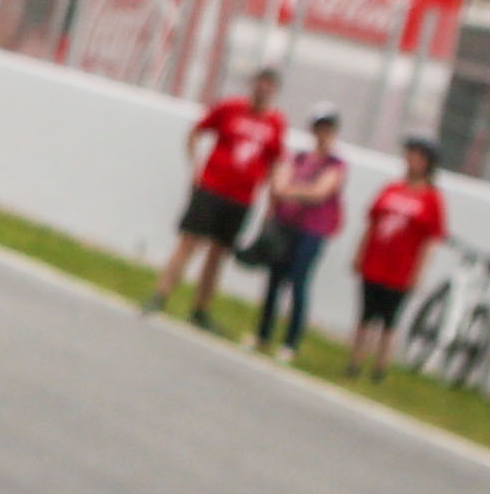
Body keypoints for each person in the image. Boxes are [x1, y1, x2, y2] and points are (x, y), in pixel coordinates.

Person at [146, 67, 288, 332]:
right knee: (189, 241)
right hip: (212, 188)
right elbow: (195, 132)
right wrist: (195, 169)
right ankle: (160, 294)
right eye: (261, 83)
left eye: (270, 85)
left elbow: (275, 162)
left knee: (218, 252)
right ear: (253, 85)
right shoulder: (231, 108)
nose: (264, 89)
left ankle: (200, 308)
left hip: (241, 198)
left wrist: (272, 199)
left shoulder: (275, 124)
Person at [252, 111, 350, 355]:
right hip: (286, 225)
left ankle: (290, 342)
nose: (323, 133)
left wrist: (293, 190)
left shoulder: (335, 164)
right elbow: (279, 184)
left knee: (299, 282)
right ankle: (262, 335)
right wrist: (298, 190)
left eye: (328, 129)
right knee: (274, 280)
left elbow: (319, 193)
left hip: (312, 230)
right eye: (320, 128)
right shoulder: (299, 157)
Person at [347, 141, 449, 374]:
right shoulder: (391, 188)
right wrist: (359, 253)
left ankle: (380, 366)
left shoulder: (432, 198)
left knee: (390, 319)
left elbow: (430, 240)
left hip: (401, 266)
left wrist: (419, 272)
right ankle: (355, 361)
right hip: (375, 259)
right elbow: (372, 223)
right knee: (366, 314)